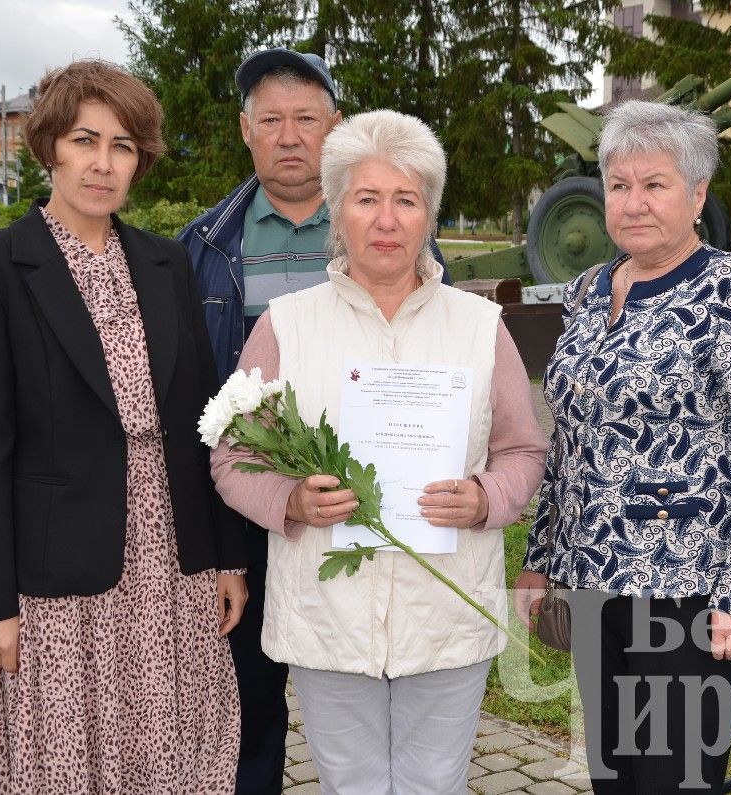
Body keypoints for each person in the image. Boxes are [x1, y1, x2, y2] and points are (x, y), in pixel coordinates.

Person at [209, 109, 546, 794]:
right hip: (327, 617)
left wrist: (485, 498)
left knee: (432, 783)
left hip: (444, 619)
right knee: (353, 784)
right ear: (337, 211)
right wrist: (292, 498)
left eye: (406, 199)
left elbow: (522, 450)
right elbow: (231, 458)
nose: (386, 219)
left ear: (429, 215)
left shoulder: (481, 327)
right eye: (367, 199)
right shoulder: (288, 324)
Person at [0, 59, 247, 793]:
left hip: (170, 557)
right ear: (50, 145)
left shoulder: (165, 260)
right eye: (87, 140)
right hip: (59, 569)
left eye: (123, 146)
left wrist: (227, 557)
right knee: (67, 760)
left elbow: (203, 417)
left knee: (170, 750)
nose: (103, 163)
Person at [513, 100, 731, 793]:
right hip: (592, 585)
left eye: (656, 185)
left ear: (698, 193)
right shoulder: (590, 289)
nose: (634, 203)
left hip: (688, 597)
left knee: (674, 779)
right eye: (620, 185)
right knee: (614, 776)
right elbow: (573, 435)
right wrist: (539, 557)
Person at [179, 50, 450, 793]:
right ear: (245, 130)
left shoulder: (396, 229)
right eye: (271, 120)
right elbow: (193, 409)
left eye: (306, 119)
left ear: (335, 126)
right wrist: (216, 547)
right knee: (247, 713)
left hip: (369, 519)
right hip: (252, 519)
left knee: (373, 722)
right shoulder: (203, 249)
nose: (289, 135)